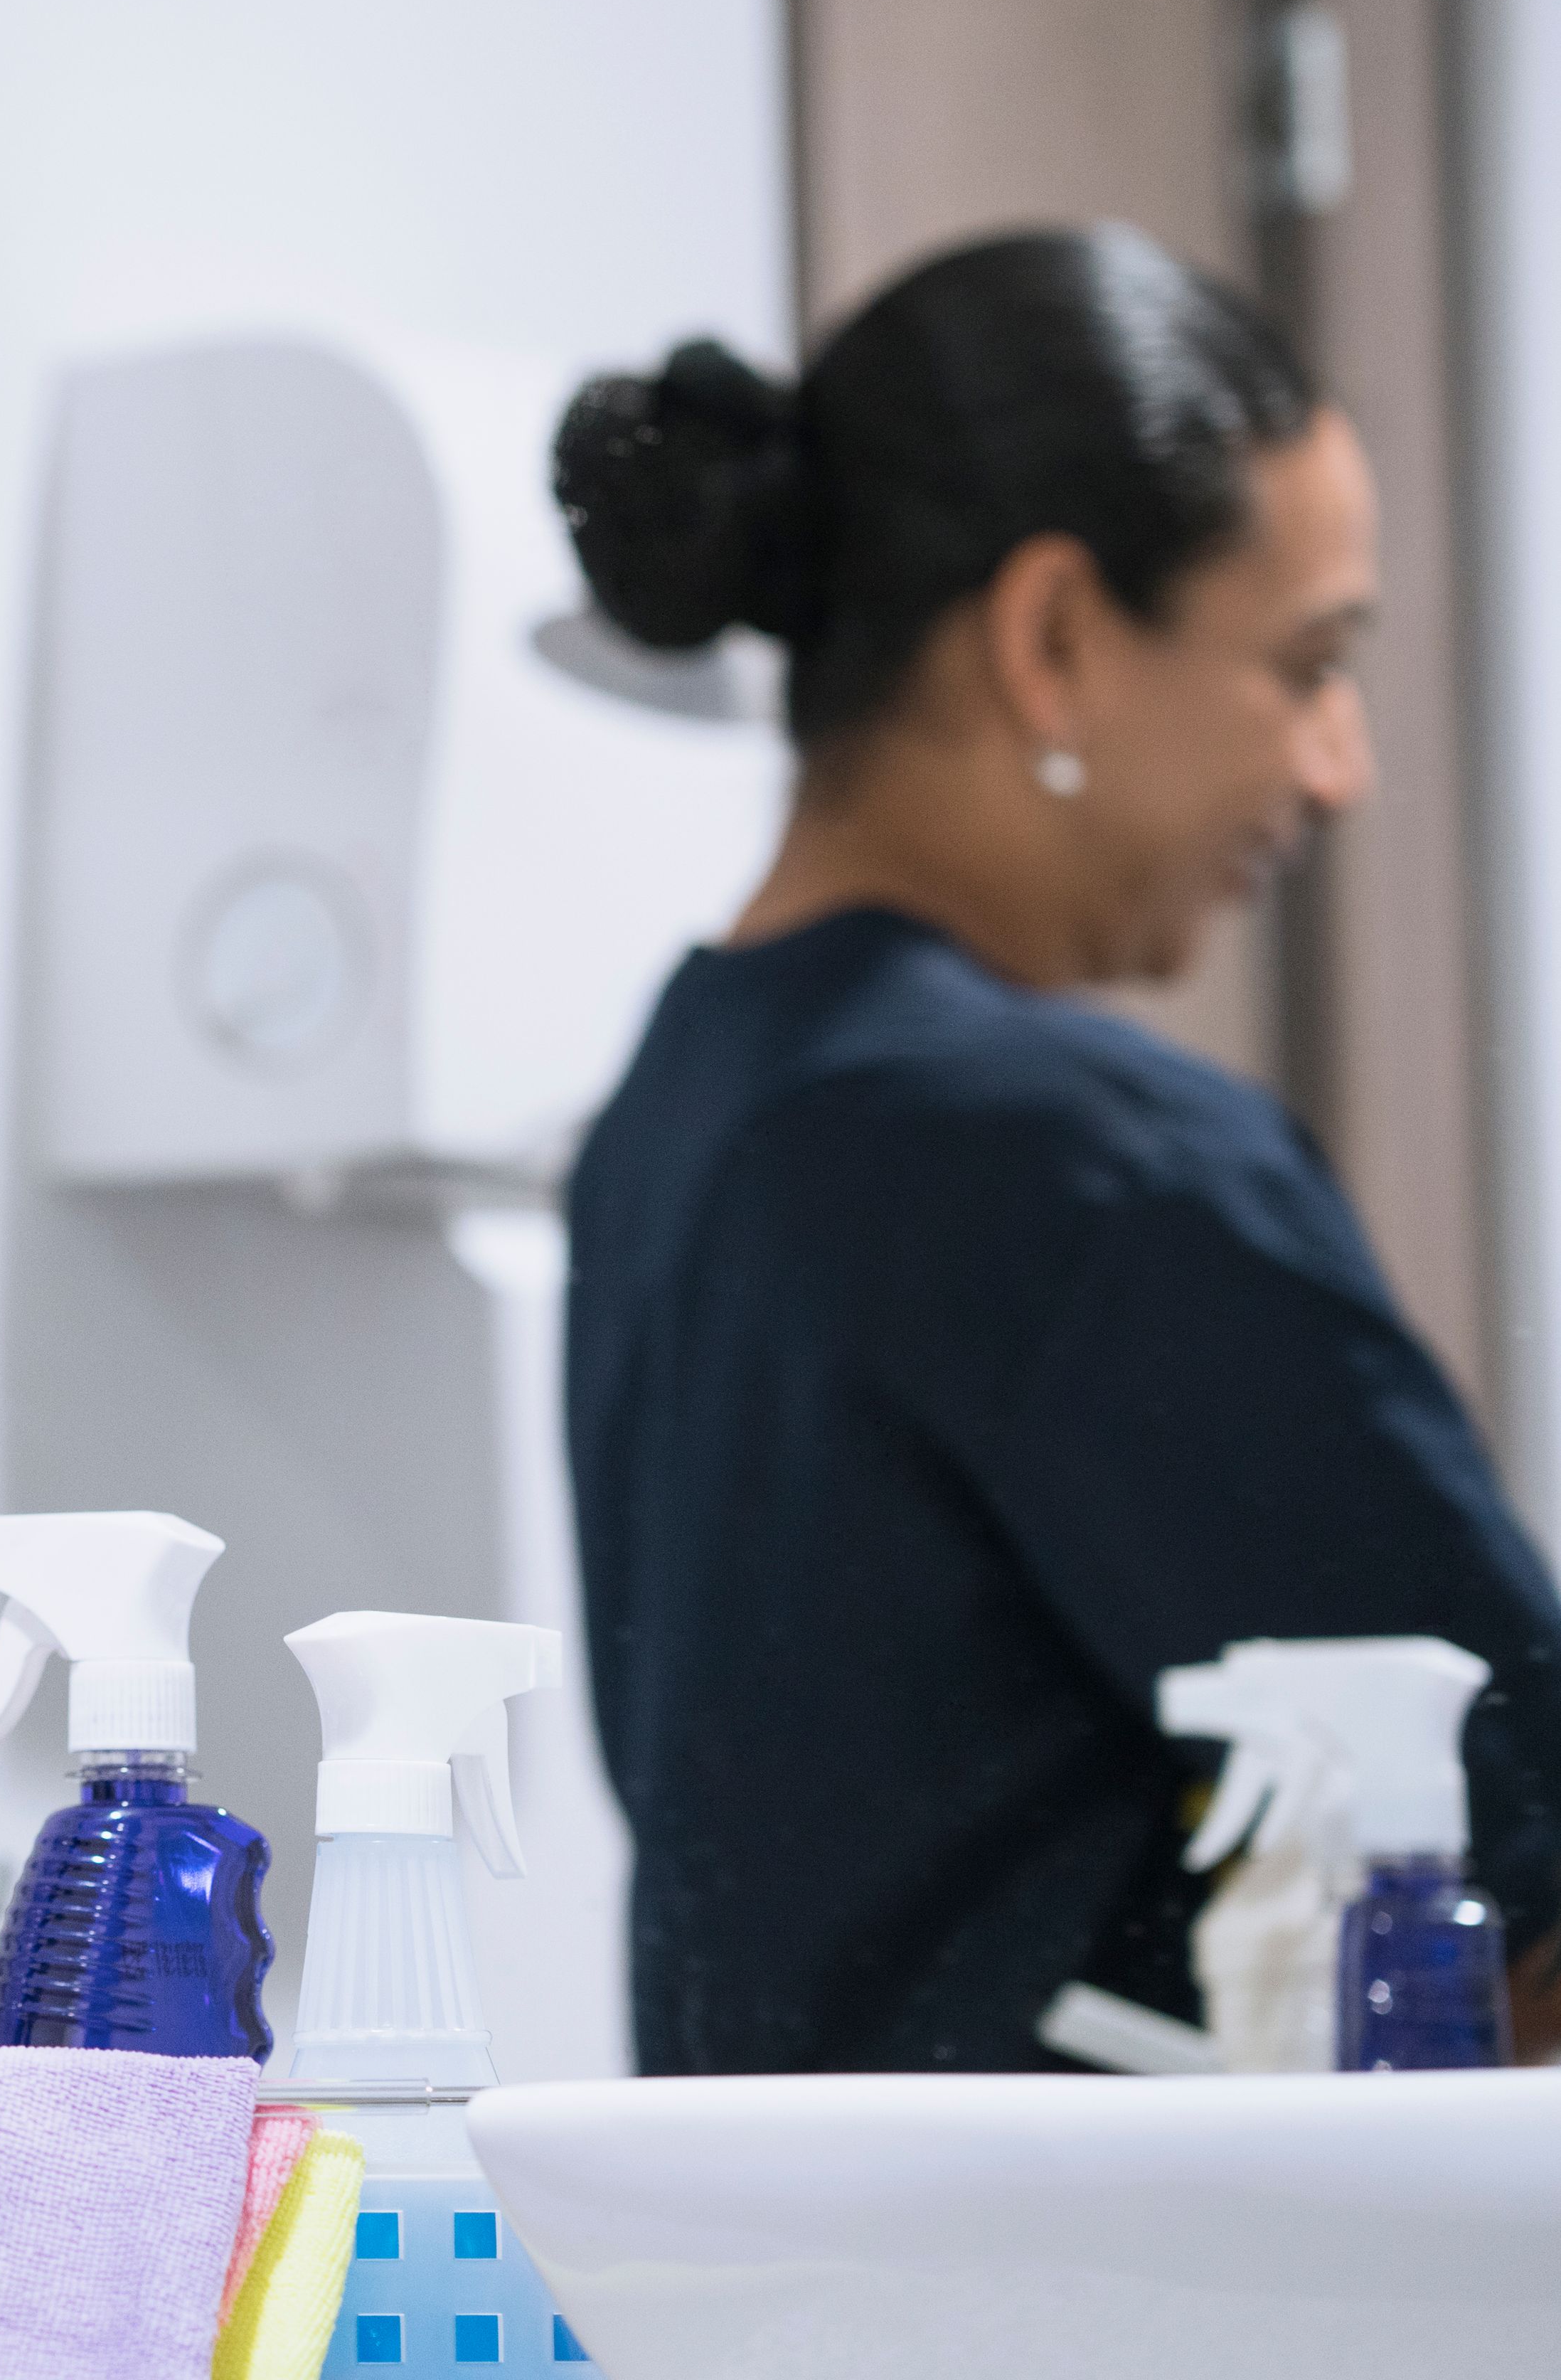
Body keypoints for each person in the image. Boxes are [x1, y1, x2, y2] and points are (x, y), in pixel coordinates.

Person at [555, 223, 1561, 2073]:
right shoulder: (1083, 1164)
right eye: (1307, 666)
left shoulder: (677, 1114)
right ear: (1057, 640)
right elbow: (1530, 1902)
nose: (1340, 767)